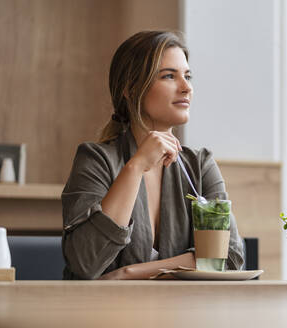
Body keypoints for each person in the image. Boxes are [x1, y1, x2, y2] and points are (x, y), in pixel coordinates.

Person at [61, 31, 245, 280]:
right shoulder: (95, 160)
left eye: (188, 76)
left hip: (184, 316)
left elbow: (230, 257)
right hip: (104, 316)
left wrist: (128, 273)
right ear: (131, 88)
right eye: (169, 76)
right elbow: (85, 262)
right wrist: (135, 167)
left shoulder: (200, 165)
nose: (186, 87)